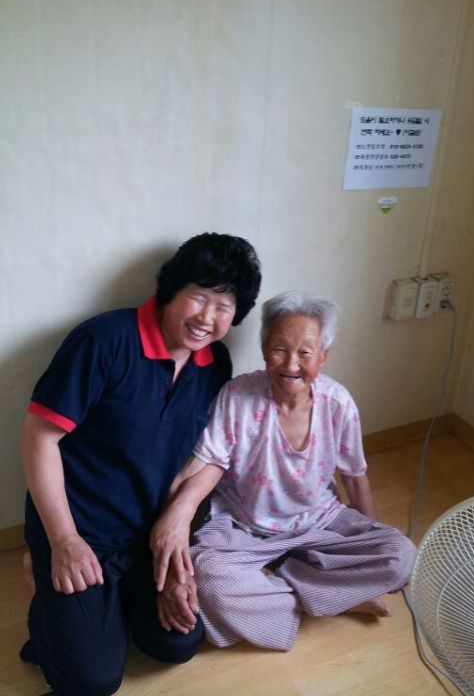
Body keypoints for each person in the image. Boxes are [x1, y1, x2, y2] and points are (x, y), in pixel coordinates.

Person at [19, 232, 262, 696]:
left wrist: (178, 519)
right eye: (199, 298)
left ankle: (105, 603)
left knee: (178, 642)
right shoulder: (103, 340)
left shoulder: (216, 363)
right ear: (170, 290)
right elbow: (38, 438)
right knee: (92, 682)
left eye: (224, 307)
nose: (207, 318)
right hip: (81, 528)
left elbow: (215, 453)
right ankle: (47, 580)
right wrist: (64, 541)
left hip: (147, 533)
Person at [151, 290, 416, 652]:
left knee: (400, 556)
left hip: (318, 520)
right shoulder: (237, 396)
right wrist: (177, 515)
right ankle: (328, 599)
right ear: (264, 350)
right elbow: (207, 463)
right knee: (210, 582)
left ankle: (286, 590)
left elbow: (355, 478)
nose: (291, 364)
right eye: (279, 349)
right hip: (242, 524)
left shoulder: (337, 403)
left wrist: (367, 543)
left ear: (323, 356)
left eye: (305, 353)